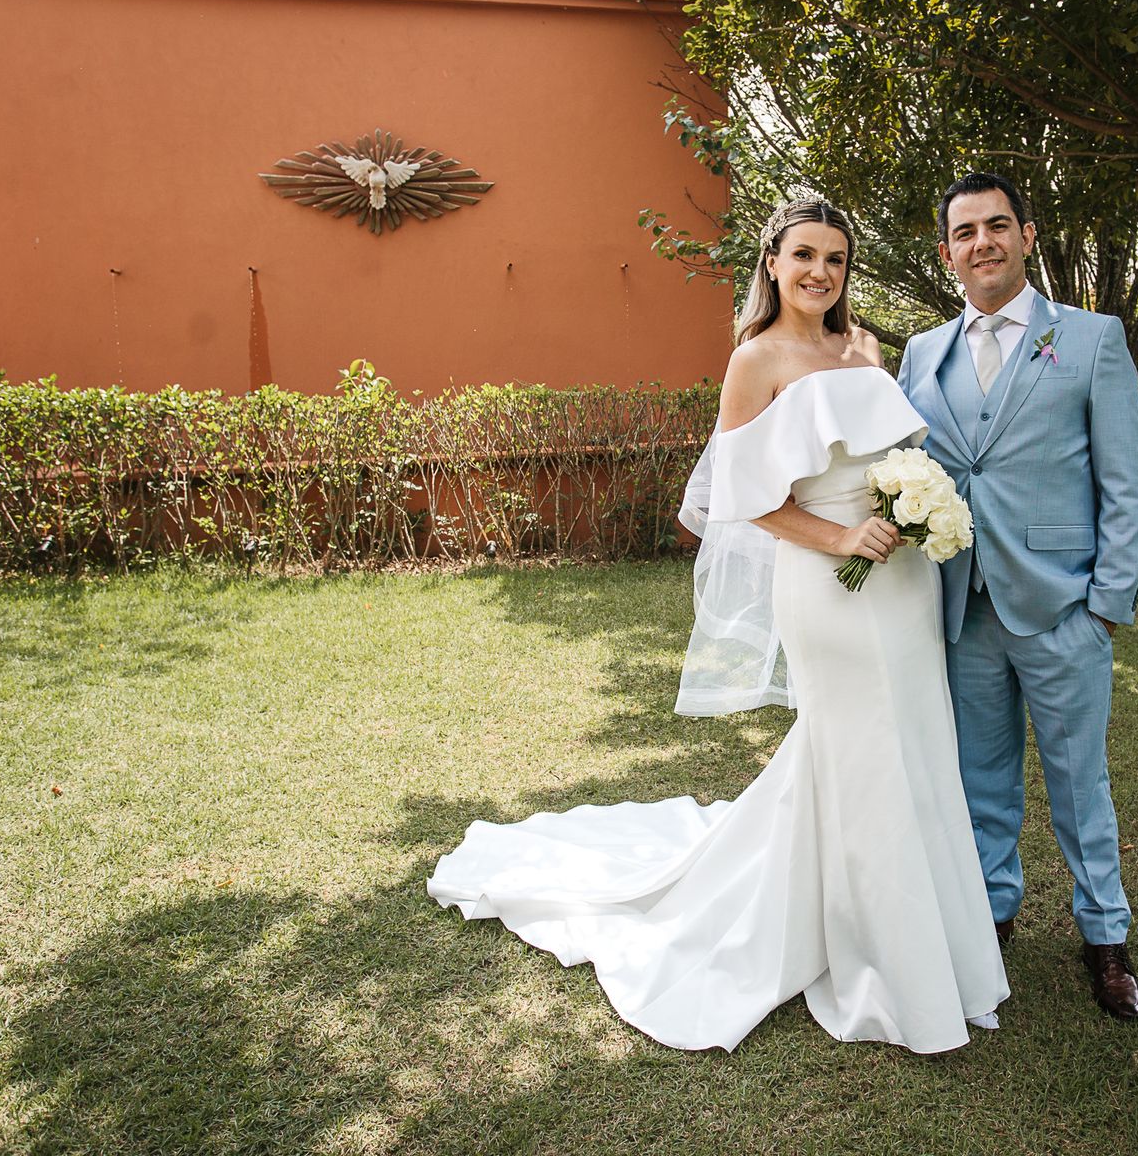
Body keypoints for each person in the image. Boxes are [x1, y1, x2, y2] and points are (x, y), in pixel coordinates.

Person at [427, 198, 1007, 1053]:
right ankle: (880, 964)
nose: (820, 272)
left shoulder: (864, 349)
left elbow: (894, 457)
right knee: (858, 754)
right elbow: (742, 501)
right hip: (830, 582)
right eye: (804, 254)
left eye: (837, 260)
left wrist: (913, 514)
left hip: (904, 582)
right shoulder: (756, 360)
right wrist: (843, 534)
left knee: (913, 750)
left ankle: (932, 945)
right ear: (773, 262)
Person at [896, 172, 1138, 1020]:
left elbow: (1127, 483)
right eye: (965, 232)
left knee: (1082, 783)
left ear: (1028, 237)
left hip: (1062, 609)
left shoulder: (1088, 340)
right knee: (981, 783)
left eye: (998, 226)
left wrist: (1106, 602)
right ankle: (991, 921)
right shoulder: (921, 354)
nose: (983, 243)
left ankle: (1106, 941)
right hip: (961, 611)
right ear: (946, 253)